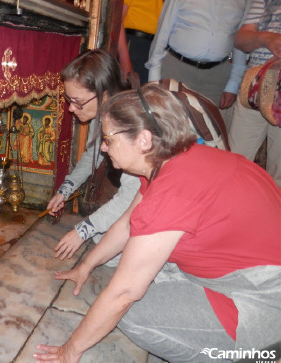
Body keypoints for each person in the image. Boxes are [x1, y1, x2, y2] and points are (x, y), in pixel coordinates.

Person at [34, 83, 281, 363]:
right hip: (247, 268)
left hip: (264, 299)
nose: (103, 147)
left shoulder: (173, 189)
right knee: (133, 269)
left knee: (132, 312)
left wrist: (71, 349)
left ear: (143, 140)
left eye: (108, 138)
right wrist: (86, 266)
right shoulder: (170, 160)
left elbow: (124, 294)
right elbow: (128, 224)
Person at [46, 49, 140, 267]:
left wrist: (81, 230)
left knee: (110, 253)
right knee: (102, 241)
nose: (70, 108)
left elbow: (130, 198)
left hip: (179, 206)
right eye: (69, 100)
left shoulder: (128, 127)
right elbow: (93, 155)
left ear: (104, 95)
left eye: (77, 102)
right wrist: (65, 190)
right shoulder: (108, 112)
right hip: (145, 200)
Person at [146, 0, 251, 129]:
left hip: (217, 76)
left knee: (206, 131)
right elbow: (162, 31)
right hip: (177, 68)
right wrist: (154, 79)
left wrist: (233, 84)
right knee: (168, 127)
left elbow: (240, 39)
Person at [228, 0, 281, 188]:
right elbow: (241, 40)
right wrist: (266, 38)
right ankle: (230, 213)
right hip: (253, 88)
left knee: (279, 176)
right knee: (234, 163)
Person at [117, 0, 163, 87]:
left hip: (151, 46)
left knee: (142, 92)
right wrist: (124, 58)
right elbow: (117, 19)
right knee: (128, 91)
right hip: (135, 43)